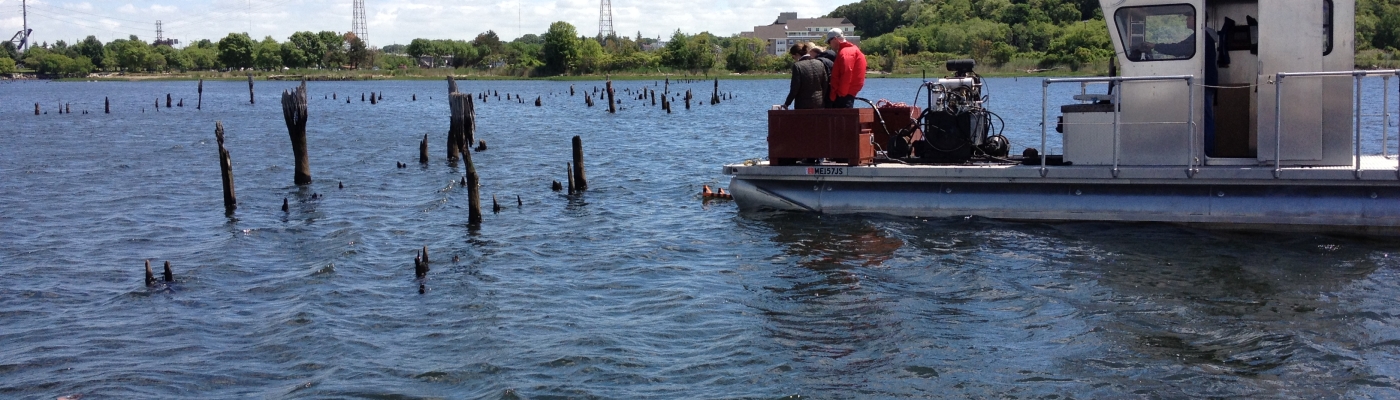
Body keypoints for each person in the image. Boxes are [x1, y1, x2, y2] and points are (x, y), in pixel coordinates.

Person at [825, 28, 867, 109]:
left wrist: (841, 93)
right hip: (849, 93)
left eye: (829, 42)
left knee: (842, 120)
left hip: (844, 96)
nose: (829, 44)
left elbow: (847, 72)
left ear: (835, 39)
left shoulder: (845, 52)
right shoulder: (852, 49)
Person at [782, 43, 827, 109]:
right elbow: (825, 84)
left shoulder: (798, 66)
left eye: (793, 56)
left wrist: (787, 104)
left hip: (802, 105)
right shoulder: (819, 63)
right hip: (819, 103)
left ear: (797, 54)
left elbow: (794, 88)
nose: (793, 59)